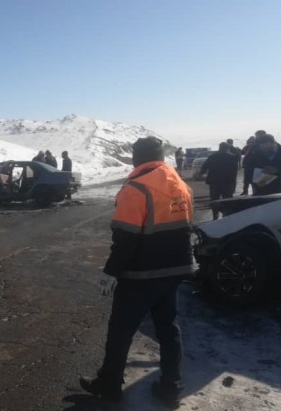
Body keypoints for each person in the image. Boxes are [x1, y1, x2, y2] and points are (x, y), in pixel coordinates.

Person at [79, 137, 194, 409]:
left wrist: (110, 273)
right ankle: (171, 386)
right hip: (175, 270)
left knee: (120, 330)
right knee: (169, 328)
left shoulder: (136, 188)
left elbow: (126, 241)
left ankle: (108, 386)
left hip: (142, 274)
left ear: (136, 158)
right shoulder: (181, 185)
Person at [199, 142, 239, 220]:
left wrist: (201, 174)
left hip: (214, 182)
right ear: (227, 148)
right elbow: (235, 170)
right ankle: (226, 215)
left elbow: (205, 166)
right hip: (228, 182)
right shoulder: (232, 157)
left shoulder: (212, 156)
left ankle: (215, 216)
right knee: (227, 200)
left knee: (214, 199)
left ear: (219, 147)